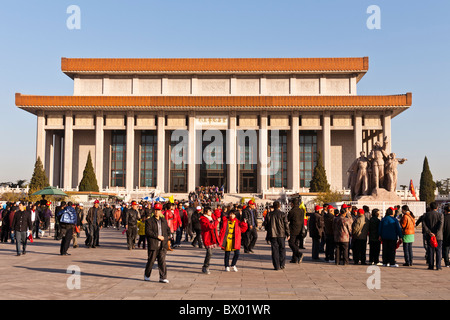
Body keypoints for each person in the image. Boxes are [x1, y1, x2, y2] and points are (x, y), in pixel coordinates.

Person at [144, 203, 170, 283]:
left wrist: (167, 239)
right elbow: (148, 232)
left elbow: (167, 231)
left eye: (158, 210)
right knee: (151, 261)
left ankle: (163, 277)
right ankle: (147, 275)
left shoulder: (163, 221)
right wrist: (157, 236)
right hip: (153, 244)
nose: (156, 212)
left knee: (162, 261)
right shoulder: (149, 221)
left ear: (161, 211)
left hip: (162, 245)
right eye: (155, 210)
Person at [263, 201, 290, 270]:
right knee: (282, 249)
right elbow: (286, 224)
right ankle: (282, 264)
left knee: (275, 250)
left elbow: (266, 224)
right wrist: (288, 233)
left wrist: (268, 232)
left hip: (273, 234)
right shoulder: (283, 214)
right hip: (281, 234)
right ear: (279, 206)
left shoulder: (269, 214)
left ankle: (276, 265)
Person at [422, 202, 444, 270]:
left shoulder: (425, 215)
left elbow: (424, 225)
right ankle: (438, 266)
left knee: (430, 251)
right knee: (438, 250)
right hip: (438, 236)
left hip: (429, 236)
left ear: (430, 208)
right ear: (437, 208)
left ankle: (431, 265)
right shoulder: (440, 215)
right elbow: (441, 225)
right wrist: (436, 233)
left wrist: (429, 232)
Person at [200, 206, 220, 274]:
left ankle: (206, 266)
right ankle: (205, 267)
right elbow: (209, 226)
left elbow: (217, 216)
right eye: (209, 211)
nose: (211, 212)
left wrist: (216, 209)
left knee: (210, 253)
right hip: (207, 237)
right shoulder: (203, 219)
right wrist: (216, 222)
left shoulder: (211, 217)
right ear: (206, 212)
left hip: (212, 237)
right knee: (209, 253)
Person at [287, 198, 305, 264]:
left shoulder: (292, 211)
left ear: (292, 204)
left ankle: (299, 254)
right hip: (300, 229)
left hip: (293, 229)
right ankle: (294, 259)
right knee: (296, 244)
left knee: (291, 243)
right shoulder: (301, 211)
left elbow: (287, 219)